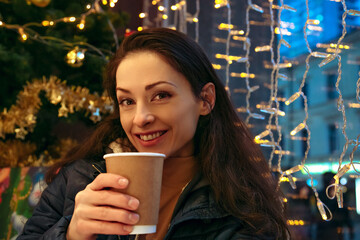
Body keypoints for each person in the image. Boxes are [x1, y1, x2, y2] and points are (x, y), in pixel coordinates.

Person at [18, 28, 289, 239]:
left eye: (161, 95)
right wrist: (71, 235)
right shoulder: (78, 179)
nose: (140, 118)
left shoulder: (240, 210)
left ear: (204, 100)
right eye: (127, 101)